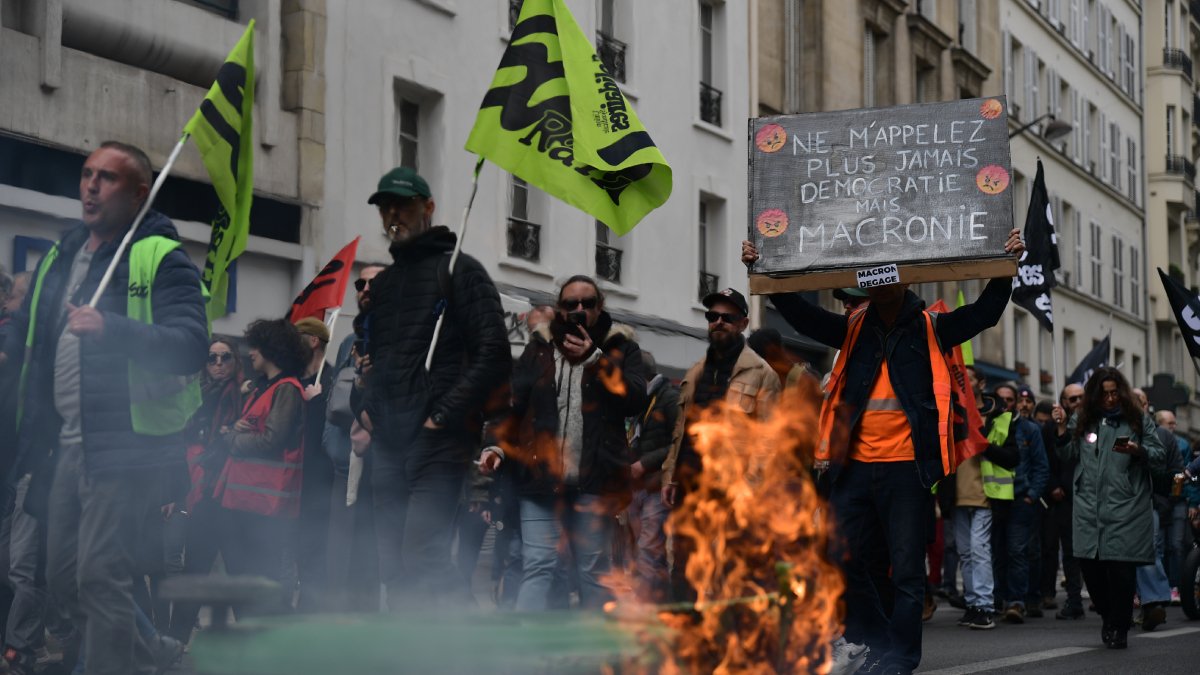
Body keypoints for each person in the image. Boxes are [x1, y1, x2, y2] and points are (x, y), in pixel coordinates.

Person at [742, 229, 1024, 674]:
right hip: (852, 469)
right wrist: (764, 266)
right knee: (841, 560)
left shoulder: (933, 327)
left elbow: (986, 313)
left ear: (906, 278)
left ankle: (900, 659)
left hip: (906, 470)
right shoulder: (853, 328)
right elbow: (799, 314)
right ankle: (876, 641)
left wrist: (1007, 266)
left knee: (908, 573)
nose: (875, 281)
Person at [1, 141, 208, 675]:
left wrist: (112, 329)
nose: (91, 185)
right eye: (87, 174)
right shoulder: (61, 253)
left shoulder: (160, 254)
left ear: (140, 193)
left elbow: (189, 344)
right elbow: (31, 338)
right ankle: (158, 657)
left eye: (108, 178)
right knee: (64, 579)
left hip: (127, 446)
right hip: (64, 446)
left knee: (100, 576)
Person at [356, 167, 510, 609]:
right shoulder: (383, 285)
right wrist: (366, 406)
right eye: (385, 207)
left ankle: (472, 654)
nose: (392, 215)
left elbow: (494, 353)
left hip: (437, 444)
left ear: (427, 208)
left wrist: (441, 416)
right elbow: (374, 360)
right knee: (394, 566)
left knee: (423, 557)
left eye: (402, 205)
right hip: (389, 443)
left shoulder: (461, 270)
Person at [480, 275, 646, 611]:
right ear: (560, 309)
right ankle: (527, 655)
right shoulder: (540, 347)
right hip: (541, 481)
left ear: (600, 307)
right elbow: (515, 406)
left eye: (588, 303)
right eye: (571, 304)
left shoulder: (621, 347)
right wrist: (496, 446)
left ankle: (590, 655)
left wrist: (596, 360)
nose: (579, 310)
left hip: (595, 482)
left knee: (592, 569)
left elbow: (634, 400)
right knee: (538, 564)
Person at [659, 288, 782, 603]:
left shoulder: (761, 374)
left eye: (727, 318)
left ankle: (727, 643)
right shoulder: (697, 371)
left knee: (727, 571)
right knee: (683, 567)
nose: (718, 322)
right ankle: (688, 639)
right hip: (690, 484)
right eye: (712, 316)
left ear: (743, 323)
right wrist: (670, 475)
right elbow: (681, 429)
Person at [1051, 367, 1168, 649]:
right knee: (1091, 571)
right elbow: (1067, 454)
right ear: (1095, 394)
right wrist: (1061, 428)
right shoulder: (1084, 419)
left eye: (1115, 392)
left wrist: (1138, 451)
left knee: (1121, 572)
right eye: (1105, 394)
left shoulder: (1137, 420)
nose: (1111, 399)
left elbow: (1160, 456)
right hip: (1089, 508)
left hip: (1126, 507)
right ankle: (1108, 616)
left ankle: (1120, 626)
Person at [216, 319, 309, 615]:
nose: (250, 352)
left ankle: (262, 644)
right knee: (246, 576)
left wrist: (232, 438)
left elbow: (271, 441)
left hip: (263, 503)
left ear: (271, 349)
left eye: (255, 346)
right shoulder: (265, 388)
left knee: (258, 577)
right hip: (250, 500)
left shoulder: (287, 389)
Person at [167, 339, 244, 644]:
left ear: (234, 361)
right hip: (199, 492)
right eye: (212, 358)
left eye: (225, 358)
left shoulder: (241, 393)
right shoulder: (195, 394)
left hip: (228, 492)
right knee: (194, 571)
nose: (218, 364)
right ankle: (173, 643)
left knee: (238, 571)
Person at [322, 263, 385, 613]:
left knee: (371, 557)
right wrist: (328, 444)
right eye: (360, 283)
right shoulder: (350, 340)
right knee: (340, 556)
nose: (363, 288)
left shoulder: (399, 336)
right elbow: (338, 399)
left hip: (380, 466)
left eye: (373, 283)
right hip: (345, 463)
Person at [986, 383, 1048, 623]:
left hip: (1020, 500)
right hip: (994, 499)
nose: (1006, 404)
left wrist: (1031, 494)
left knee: (1017, 551)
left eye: (1009, 399)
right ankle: (998, 599)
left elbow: (1041, 466)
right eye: (1001, 399)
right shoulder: (988, 426)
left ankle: (1016, 602)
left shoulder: (1030, 430)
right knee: (997, 552)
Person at [624, 351, 679, 603]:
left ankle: (643, 606)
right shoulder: (640, 402)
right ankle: (660, 601)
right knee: (642, 549)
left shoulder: (669, 397)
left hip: (657, 487)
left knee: (649, 547)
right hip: (638, 488)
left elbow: (678, 442)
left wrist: (645, 463)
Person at [292, 316, 335, 612]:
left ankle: (309, 612)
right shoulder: (290, 381)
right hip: (288, 480)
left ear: (313, 341)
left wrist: (317, 402)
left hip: (316, 484)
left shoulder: (331, 380)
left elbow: (328, 437)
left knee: (311, 553)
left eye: (298, 336)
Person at [1040, 383, 1086, 619]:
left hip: (1082, 498)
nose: (1077, 402)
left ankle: (1082, 598)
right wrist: (1053, 486)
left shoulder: (1089, 426)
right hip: (1057, 499)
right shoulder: (1049, 428)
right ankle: (1062, 596)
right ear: (1064, 402)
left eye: (1081, 398)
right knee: (1052, 548)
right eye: (1072, 399)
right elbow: (1044, 460)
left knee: (1077, 552)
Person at [1153, 409, 1190, 601]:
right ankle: (1160, 588)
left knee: (1176, 545)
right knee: (1158, 546)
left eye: (1174, 423)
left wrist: (1188, 498)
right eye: (1170, 423)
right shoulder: (1151, 439)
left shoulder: (1183, 444)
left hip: (1177, 501)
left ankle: (1175, 586)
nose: (1173, 427)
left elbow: (1187, 472)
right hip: (1158, 499)